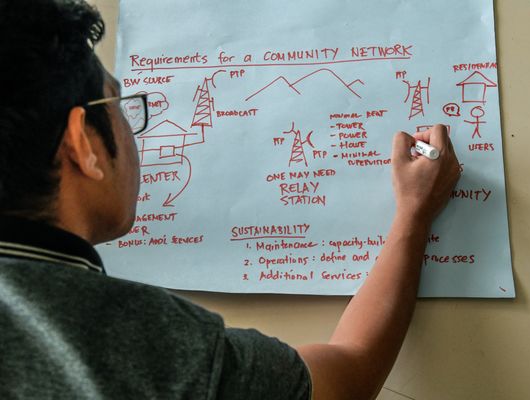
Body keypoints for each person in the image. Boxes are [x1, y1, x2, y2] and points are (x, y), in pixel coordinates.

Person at [0, 1, 461, 399]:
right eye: (117, 105)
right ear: (83, 143)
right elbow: (345, 378)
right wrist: (413, 214)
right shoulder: (149, 348)